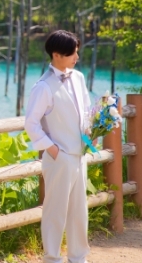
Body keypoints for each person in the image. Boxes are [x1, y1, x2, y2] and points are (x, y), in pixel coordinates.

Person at [25, 30, 91, 263]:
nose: (76, 57)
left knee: (79, 212)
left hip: (80, 156)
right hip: (59, 158)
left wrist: (90, 132)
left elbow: (85, 110)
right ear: (56, 54)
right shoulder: (43, 86)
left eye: (77, 52)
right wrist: (53, 151)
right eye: (72, 53)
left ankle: (78, 257)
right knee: (55, 212)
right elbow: (31, 124)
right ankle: (52, 258)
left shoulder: (79, 78)